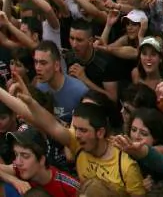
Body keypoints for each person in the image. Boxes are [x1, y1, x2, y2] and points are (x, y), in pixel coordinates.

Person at [17, 97, 146, 195]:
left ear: (100, 132)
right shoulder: (78, 144)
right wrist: (30, 101)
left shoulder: (126, 167)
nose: (77, 135)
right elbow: (48, 123)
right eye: (76, 128)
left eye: (83, 130)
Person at [0, 128, 80, 197]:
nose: (18, 162)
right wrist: (13, 180)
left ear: (42, 160)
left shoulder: (69, 187)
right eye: (16, 154)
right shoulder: (20, 169)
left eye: (25, 156)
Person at [33, 40, 88, 123]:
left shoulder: (80, 91)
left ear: (56, 66)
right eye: (36, 62)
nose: (37, 68)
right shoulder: (39, 87)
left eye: (43, 63)